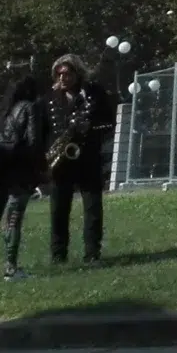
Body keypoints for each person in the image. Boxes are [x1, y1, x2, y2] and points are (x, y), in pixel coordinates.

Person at [0, 70, 47, 281]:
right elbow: (34, 142)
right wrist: (39, 168)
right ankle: (11, 268)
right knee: (13, 218)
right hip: (18, 172)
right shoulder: (29, 108)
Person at [45, 53, 112, 267]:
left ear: (77, 72)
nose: (62, 78)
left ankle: (92, 252)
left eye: (66, 73)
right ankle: (58, 254)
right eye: (59, 74)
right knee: (58, 210)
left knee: (92, 208)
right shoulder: (50, 99)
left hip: (88, 157)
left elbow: (109, 123)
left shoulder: (94, 93)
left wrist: (91, 130)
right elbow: (43, 129)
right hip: (61, 162)